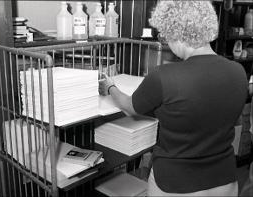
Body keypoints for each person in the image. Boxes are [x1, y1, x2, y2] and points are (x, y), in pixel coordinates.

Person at [99, 0, 248, 196]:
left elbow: (129, 107)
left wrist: (110, 87)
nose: (166, 42)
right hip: (224, 180)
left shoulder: (164, 75)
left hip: (175, 183)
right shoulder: (238, 71)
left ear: (176, 33)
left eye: (165, 35)